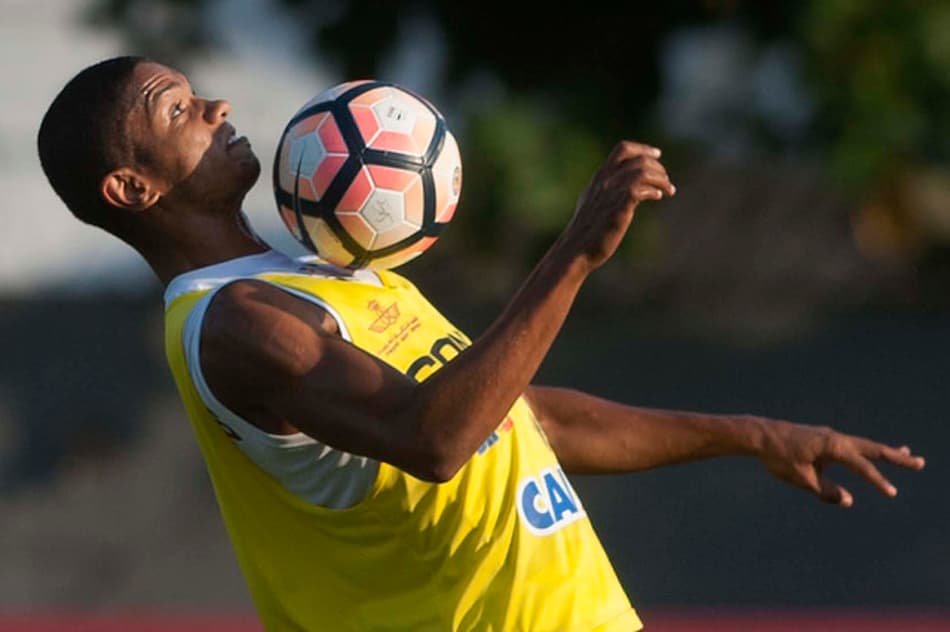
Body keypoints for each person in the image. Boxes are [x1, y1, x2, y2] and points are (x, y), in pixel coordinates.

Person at [37, 56, 924, 632]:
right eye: (180, 108)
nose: (217, 104)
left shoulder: (330, 274)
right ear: (129, 185)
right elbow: (436, 439)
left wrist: (747, 433)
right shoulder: (234, 325)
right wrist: (576, 251)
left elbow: (518, 421)